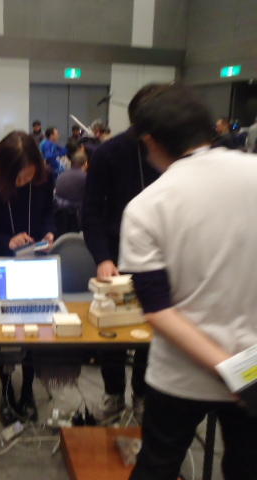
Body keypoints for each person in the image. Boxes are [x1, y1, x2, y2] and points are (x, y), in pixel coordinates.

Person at [121, 85, 257, 480]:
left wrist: (230, 371)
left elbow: (158, 310)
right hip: (254, 367)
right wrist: (244, 373)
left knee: (158, 465)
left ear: (150, 141)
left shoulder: (147, 206)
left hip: (181, 374)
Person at [82, 84, 166, 423]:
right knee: (112, 331)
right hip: (115, 253)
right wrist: (103, 257)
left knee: (153, 328)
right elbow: (91, 212)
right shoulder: (108, 154)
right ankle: (114, 393)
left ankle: (142, 394)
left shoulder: (174, 152)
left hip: (161, 254)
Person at [0, 131, 55, 426]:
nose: (24, 181)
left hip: (36, 258)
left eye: (28, 175)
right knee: (4, 328)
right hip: (1, 260)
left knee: (35, 326)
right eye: (18, 177)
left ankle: (28, 389)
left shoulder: (44, 180)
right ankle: (6, 390)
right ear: (3, 170)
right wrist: (7, 241)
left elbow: (49, 212)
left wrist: (49, 231)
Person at [54, 150, 87, 235]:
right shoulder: (85, 177)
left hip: (58, 218)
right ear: (85, 164)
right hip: (76, 220)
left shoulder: (61, 175)